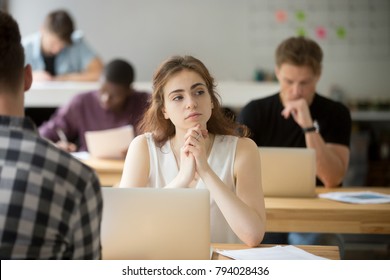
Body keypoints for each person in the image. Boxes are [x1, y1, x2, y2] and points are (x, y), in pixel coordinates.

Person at [119, 55, 266, 246]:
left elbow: (253, 235)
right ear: (164, 110)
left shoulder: (243, 149)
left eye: (199, 92)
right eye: (178, 97)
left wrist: (205, 170)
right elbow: (124, 228)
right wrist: (182, 179)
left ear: (211, 100)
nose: (191, 103)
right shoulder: (143, 148)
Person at [0, 11, 102, 259]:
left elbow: (98, 70)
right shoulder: (77, 181)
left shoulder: (77, 44)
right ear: (28, 77)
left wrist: (59, 78)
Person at [238, 36, 352, 247]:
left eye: (304, 83)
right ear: (278, 72)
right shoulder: (255, 111)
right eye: (289, 81)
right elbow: (235, 174)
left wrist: (308, 126)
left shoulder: (337, 113)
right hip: (267, 210)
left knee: (314, 244)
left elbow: (332, 178)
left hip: (317, 213)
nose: (296, 91)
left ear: (318, 75)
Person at [39, 59, 150, 153]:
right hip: (90, 167)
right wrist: (55, 146)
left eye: (114, 96)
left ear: (129, 91)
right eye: (102, 91)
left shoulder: (145, 104)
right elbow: (46, 133)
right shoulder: (82, 102)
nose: (105, 99)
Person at [22, 9, 103, 82]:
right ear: (42, 30)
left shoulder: (76, 42)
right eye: (53, 43)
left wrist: (67, 78)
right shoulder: (24, 47)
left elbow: (100, 73)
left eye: (62, 44)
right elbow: (10, 75)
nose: (56, 49)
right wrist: (30, 75)